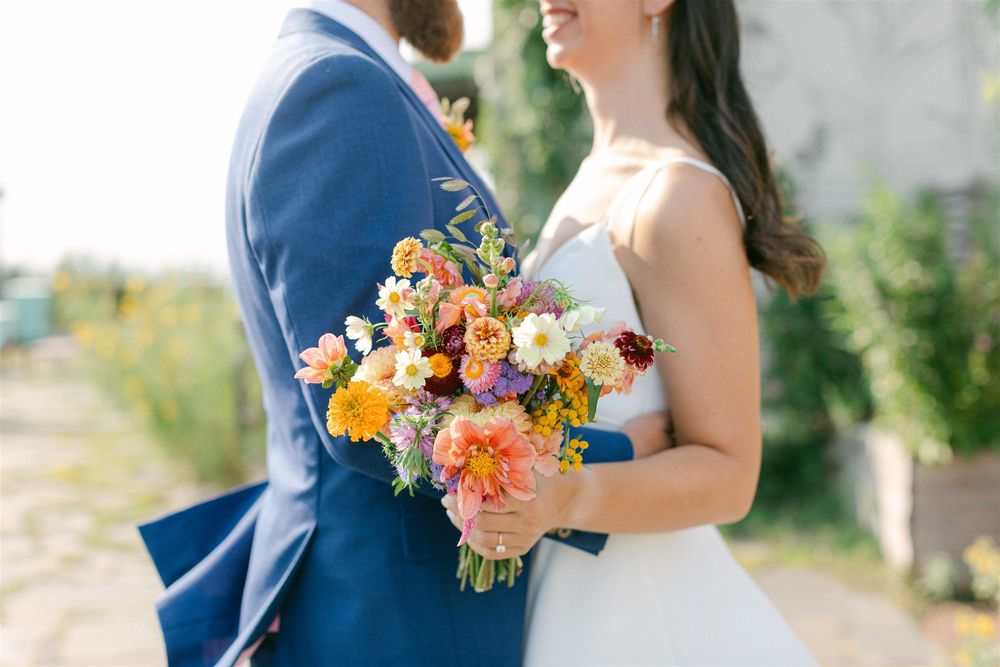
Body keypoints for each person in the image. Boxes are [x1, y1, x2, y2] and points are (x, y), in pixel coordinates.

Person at [137, 1, 638, 665]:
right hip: (394, 616)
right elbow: (374, 408)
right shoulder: (340, 91)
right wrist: (615, 457)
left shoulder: (343, 76)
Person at [441, 1, 825, 664]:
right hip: (561, 595)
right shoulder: (592, 178)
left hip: (635, 613)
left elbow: (731, 472)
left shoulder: (676, 194)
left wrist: (564, 492)